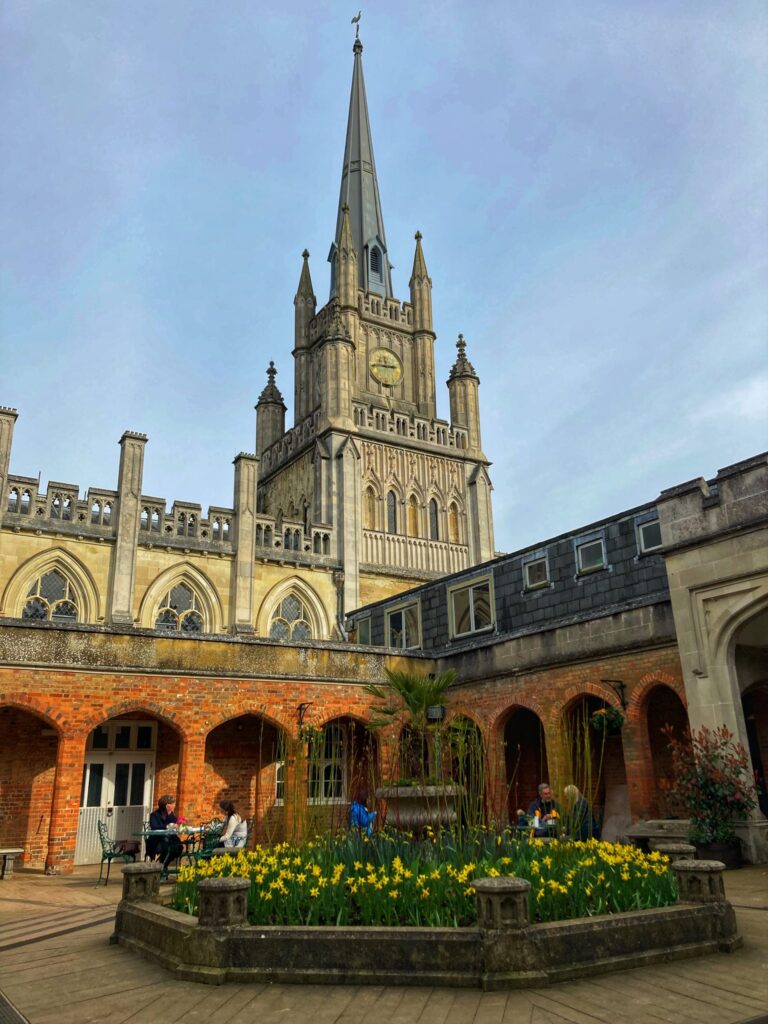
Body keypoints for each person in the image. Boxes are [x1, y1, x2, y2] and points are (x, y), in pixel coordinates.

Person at [147, 795, 184, 869]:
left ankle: (163, 865)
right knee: (166, 848)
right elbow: (154, 827)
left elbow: (175, 823)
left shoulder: (171, 815)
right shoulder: (154, 815)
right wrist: (167, 826)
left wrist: (177, 825)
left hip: (170, 839)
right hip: (157, 840)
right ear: (167, 805)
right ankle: (162, 866)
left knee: (179, 847)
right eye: (172, 804)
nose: (174, 806)